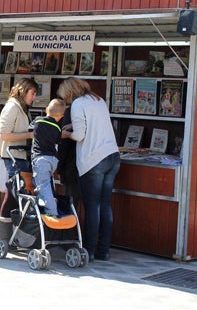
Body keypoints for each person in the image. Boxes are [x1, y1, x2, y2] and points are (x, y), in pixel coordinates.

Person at [58, 77, 120, 262]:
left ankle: (89, 250)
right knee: (105, 205)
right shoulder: (98, 100)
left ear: (70, 92)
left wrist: (65, 133)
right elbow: (93, 126)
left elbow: (79, 135)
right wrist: (72, 126)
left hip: (93, 160)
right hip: (112, 156)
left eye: (65, 97)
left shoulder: (77, 104)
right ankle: (103, 250)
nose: (66, 101)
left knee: (92, 206)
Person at [0, 77, 38, 241]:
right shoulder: (12, 107)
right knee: (14, 194)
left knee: (18, 194)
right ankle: (4, 234)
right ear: (24, 90)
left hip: (20, 155)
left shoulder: (21, 107)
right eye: (33, 93)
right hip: (12, 155)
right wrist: (30, 134)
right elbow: (4, 135)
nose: (34, 97)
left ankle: (13, 233)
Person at [29, 98, 66, 217]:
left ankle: (52, 212)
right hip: (53, 159)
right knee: (45, 182)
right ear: (61, 116)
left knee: (43, 186)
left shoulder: (38, 120)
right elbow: (56, 142)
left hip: (40, 158)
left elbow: (30, 130)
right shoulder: (58, 128)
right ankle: (48, 201)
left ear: (46, 110)